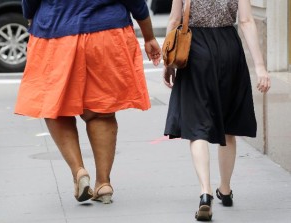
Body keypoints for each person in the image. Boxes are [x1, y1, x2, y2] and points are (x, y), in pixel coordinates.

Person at [15, 0, 161, 204]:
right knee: (101, 110)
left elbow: (30, 3)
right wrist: (149, 36)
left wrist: (31, 15)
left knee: (55, 106)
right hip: (106, 33)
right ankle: (103, 183)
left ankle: (79, 171)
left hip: (55, 31)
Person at [163, 0, 270, 221]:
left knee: (197, 125)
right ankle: (226, 189)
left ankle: (205, 192)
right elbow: (246, 20)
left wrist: (168, 62)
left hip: (196, 50)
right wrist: (260, 67)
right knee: (229, 125)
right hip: (229, 49)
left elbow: (174, 19)